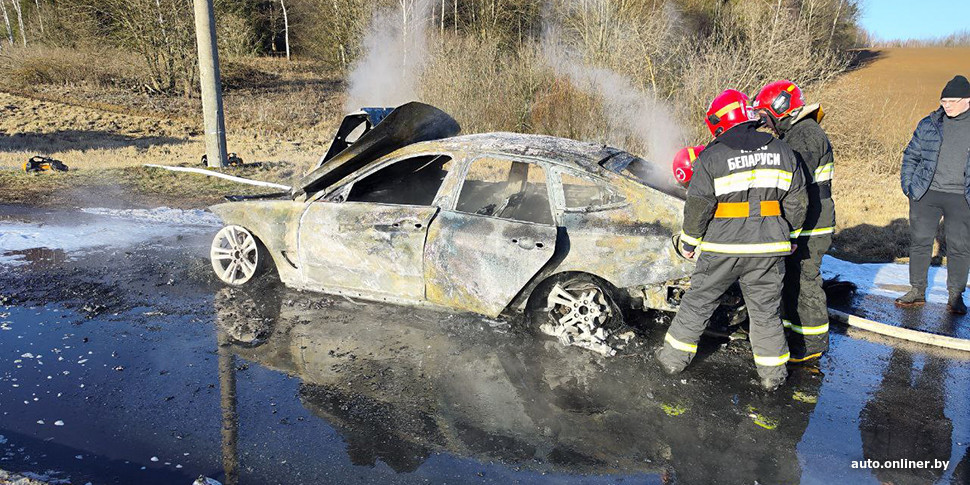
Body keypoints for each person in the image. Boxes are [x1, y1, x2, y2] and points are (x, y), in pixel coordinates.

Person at [657, 89, 808, 391]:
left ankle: (672, 361)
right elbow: (797, 200)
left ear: (719, 122)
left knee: (698, 303)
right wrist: (790, 235)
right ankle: (772, 377)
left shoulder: (712, 156)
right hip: (768, 249)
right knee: (766, 312)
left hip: (722, 248)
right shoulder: (783, 151)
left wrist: (689, 242)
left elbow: (698, 205)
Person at [752, 80, 835, 363]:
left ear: (780, 108)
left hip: (812, 223)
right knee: (792, 281)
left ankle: (810, 346)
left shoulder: (805, 135)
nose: (767, 124)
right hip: (807, 219)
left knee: (804, 281)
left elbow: (792, 183)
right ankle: (793, 335)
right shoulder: (797, 133)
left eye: (766, 116)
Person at [897, 75, 970, 314]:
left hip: (961, 197)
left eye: (952, 100)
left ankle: (956, 296)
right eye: (943, 100)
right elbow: (911, 155)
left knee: (959, 247)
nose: (946, 105)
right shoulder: (929, 123)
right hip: (926, 193)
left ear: (967, 100)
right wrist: (909, 185)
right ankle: (917, 290)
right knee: (920, 243)